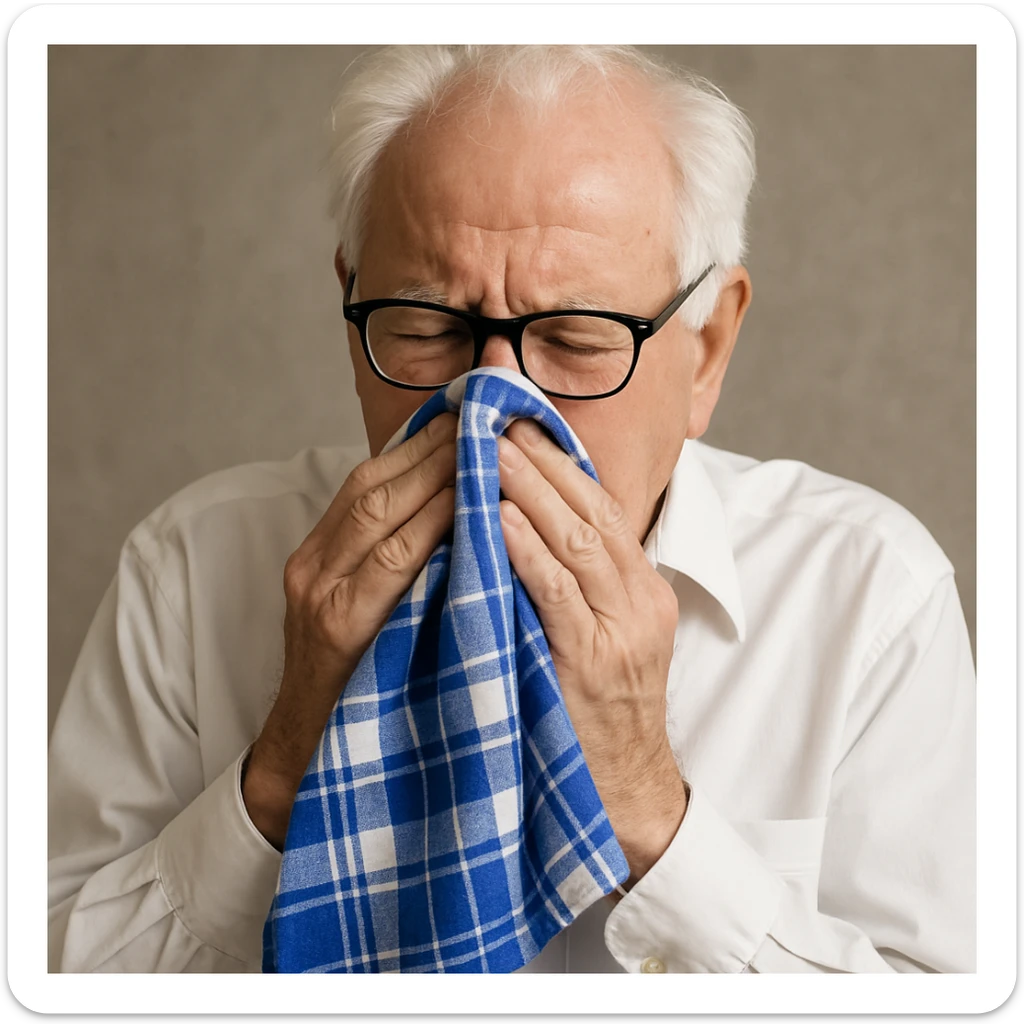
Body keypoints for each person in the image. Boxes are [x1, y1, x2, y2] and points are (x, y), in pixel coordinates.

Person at [48, 44, 975, 974]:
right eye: (426, 328)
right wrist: (286, 765)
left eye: (576, 337)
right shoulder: (190, 568)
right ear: (350, 306)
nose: (489, 406)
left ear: (708, 349)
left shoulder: (869, 599)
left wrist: (652, 808)